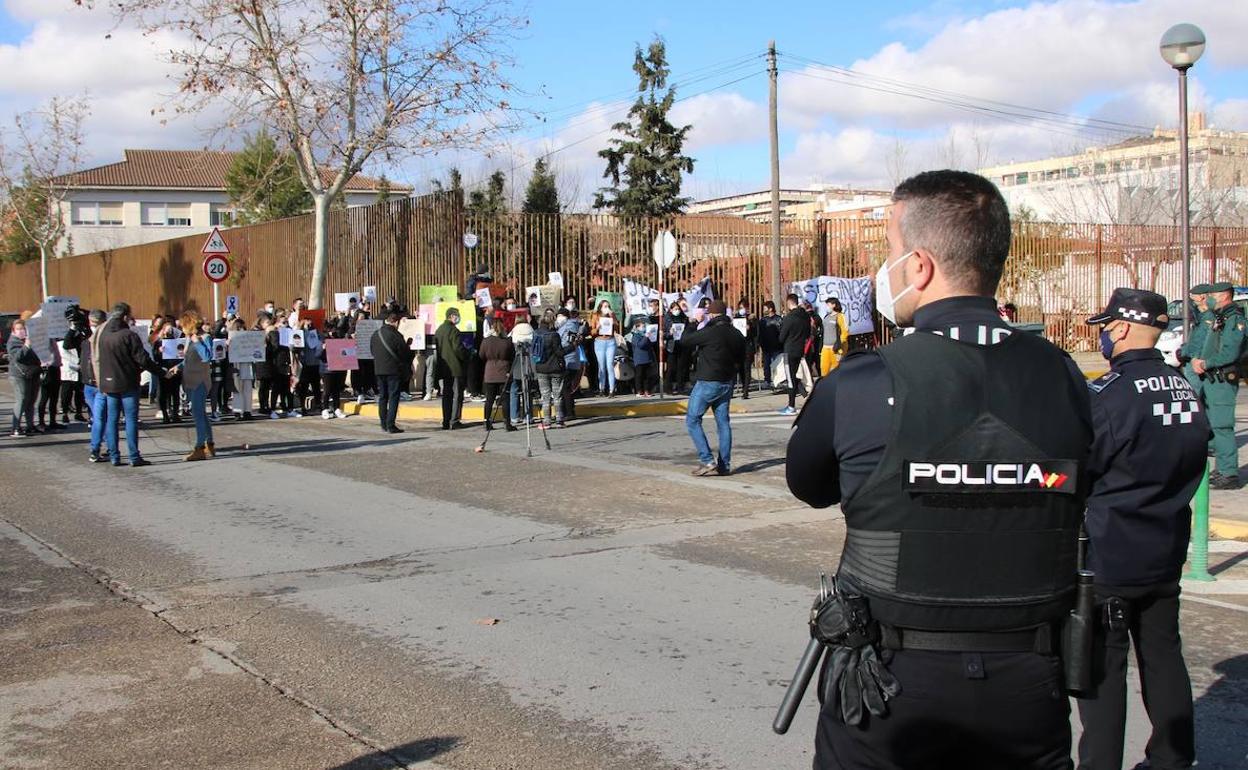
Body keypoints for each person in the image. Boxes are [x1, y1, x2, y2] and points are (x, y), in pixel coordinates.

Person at [786, 170, 1093, 769]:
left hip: (890, 688)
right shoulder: (1064, 375)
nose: (885, 268)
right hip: (1029, 682)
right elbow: (1086, 484)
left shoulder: (864, 380)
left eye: (890, 252)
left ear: (920, 266)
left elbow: (810, 484)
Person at [1078, 288, 1209, 770]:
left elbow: (1083, 466)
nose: (1105, 337)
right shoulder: (1182, 388)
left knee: (1103, 668)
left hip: (1112, 552)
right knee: (1163, 657)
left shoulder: (1109, 394)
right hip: (1166, 545)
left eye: (1106, 327)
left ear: (1120, 327)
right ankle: (1173, 759)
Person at [677, 300, 745, 476]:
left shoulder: (710, 332)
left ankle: (707, 460)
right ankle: (725, 465)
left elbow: (685, 341)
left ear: (712, 314)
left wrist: (693, 322)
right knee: (723, 423)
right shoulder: (736, 333)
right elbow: (742, 357)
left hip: (708, 380)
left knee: (692, 420)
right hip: (727, 382)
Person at [1190, 281, 1245, 490]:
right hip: (1213, 378)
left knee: (1222, 426)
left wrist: (1205, 363)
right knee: (1215, 424)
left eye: (1212, 295)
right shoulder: (1220, 317)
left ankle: (1229, 473)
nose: (1209, 299)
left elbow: (1230, 352)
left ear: (1223, 296)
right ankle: (1222, 468)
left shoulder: (1234, 319)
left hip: (1222, 379)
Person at [97, 302, 157, 467]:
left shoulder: (103, 335)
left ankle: (114, 455)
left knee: (112, 420)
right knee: (130, 419)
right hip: (128, 382)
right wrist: (160, 371)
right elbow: (142, 359)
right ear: (125, 317)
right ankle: (134, 456)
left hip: (109, 382)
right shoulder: (129, 335)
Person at [179, 311, 216, 461]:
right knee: (201, 413)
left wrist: (197, 341)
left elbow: (207, 357)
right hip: (190, 379)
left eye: (183, 326)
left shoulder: (204, 338)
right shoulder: (189, 339)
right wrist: (178, 367)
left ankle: (199, 448)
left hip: (200, 381)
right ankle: (209, 443)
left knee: (197, 414)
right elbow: (188, 359)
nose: (182, 329)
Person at [371, 311, 415, 434]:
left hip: (379, 370)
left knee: (383, 397)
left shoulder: (375, 334)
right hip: (393, 371)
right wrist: (409, 347)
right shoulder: (396, 335)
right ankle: (390, 424)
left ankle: (383, 423)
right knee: (393, 397)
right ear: (396, 322)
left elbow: (372, 351)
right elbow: (404, 354)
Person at [479, 319, 516, 432]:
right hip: (504, 372)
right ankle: (507, 423)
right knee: (505, 399)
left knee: (489, 399)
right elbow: (512, 356)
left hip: (490, 372)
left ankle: (486, 422)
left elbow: (481, 355)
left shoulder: (486, 341)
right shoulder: (507, 341)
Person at [434, 307, 467, 430]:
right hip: (455, 367)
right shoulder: (454, 330)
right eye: (457, 315)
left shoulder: (439, 330)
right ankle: (455, 420)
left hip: (444, 367)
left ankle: (446, 420)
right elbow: (458, 349)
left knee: (446, 395)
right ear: (452, 316)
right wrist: (466, 355)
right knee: (457, 394)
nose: (458, 318)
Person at [777, 294, 810, 416]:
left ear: (789, 303)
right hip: (800, 349)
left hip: (789, 349)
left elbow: (781, 337)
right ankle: (801, 393)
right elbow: (808, 333)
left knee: (790, 378)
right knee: (794, 374)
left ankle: (791, 406)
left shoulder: (789, 318)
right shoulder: (805, 317)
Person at [532, 313, 567, 429]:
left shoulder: (536, 333)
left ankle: (546, 421)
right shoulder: (554, 335)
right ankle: (559, 420)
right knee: (557, 395)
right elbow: (559, 353)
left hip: (541, 368)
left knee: (545, 396)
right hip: (555, 368)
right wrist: (572, 346)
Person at [7, 319, 40, 437]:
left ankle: (30, 426)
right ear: (13, 331)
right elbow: (17, 357)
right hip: (19, 375)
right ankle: (15, 427)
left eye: (23, 329)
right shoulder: (12, 342)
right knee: (21, 400)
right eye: (19, 329)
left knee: (31, 401)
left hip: (32, 374)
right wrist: (26, 346)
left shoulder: (28, 339)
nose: (21, 331)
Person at [1179, 283, 1211, 393]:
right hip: (1191, 359)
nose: (1191, 299)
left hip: (1197, 360)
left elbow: (1202, 340)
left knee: (1195, 394)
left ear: (1203, 297)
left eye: (1193, 296)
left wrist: (1193, 356)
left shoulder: (1208, 317)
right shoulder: (1200, 316)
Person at [556, 309, 584, 419]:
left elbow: (567, 343)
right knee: (566, 387)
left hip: (569, 360)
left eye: (560, 316)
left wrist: (557, 347)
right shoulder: (566, 326)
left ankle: (568, 412)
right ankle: (568, 411)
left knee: (565, 387)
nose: (558, 318)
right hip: (570, 359)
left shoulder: (569, 326)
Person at [589, 300, 618, 397]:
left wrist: (612, 317)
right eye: (605, 306)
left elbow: (617, 328)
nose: (607, 308)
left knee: (610, 365)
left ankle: (612, 390)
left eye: (608, 306)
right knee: (601, 366)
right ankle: (601, 389)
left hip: (610, 342)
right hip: (599, 342)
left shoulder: (611, 315)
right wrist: (597, 328)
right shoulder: (596, 315)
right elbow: (592, 332)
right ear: (600, 307)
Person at [664, 300, 691, 394]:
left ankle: (680, 387)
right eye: (675, 309)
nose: (677, 311)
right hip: (672, 346)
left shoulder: (684, 318)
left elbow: (688, 330)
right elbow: (663, 334)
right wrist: (669, 333)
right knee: (671, 368)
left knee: (681, 367)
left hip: (682, 345)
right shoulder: (667, 319)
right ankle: (668, 388)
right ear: (671, 310)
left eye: (678, 309)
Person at [733, 300, 757, 398]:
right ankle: (741, 386)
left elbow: (756, 334)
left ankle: (746, 390)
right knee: (738, 368)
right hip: (738, 346)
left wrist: (750, 327)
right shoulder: (736, 318)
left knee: (746, 368)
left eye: (743, 307)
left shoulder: (752, 319)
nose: (742, 310)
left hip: (748, 346)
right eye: (740, 308)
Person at [821, 297, 850, 375]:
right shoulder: (826, 317)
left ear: (834, 305)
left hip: (836, 349)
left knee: (836, 371)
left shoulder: (840, 316)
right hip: (825, 347)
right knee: (824, 370)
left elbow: (845, 331)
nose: (826, 307)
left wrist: (839, 346)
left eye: (828, 305)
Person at [629, 316, 655, 397]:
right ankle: (639, 391)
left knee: (647, 376)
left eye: (644, 326)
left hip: (647, 358)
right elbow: (640, 345)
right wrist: (646, 337)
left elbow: (651, 343)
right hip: (639, 359)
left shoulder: (646, 335)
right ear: (637, 327)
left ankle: (647, 390)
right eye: (642, 326)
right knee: (639, 376)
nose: (643, 328)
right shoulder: (635, 336)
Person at [758, 300, 782, 387]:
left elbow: (782, 332)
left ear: (770, 309)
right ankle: (767, 380)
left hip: (777, 347)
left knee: (777, 365)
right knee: (766, 365)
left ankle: (778, 381)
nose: (763, 310)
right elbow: (760, 333)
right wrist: (760, 343)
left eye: (765, 308)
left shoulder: (779, 319)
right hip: (766, 347)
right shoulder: (763, 320)